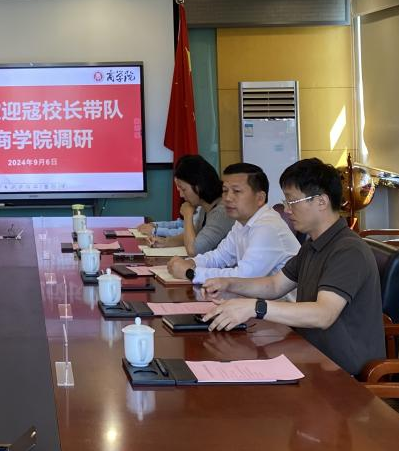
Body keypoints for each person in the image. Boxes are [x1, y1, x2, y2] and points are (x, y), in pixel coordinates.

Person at [199, 158, 385, 377]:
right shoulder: (313, 245)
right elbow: (275, 285)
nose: (286, 210)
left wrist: (256, 307)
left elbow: (323, 314)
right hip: (310, 354)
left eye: (292, 201)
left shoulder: (348, 250)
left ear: (321, 202)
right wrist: (229, 284)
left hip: (341, 372)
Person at [167, 162, 300, 285]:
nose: (228, 198)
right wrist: (191, 262)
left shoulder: (267, 227)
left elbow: (244, 277)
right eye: (225, 191)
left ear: (260, 198)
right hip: (255, 299)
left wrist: (192, 273)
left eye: (236, 191)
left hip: (283, 302)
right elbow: (219, 257)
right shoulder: (241, 222)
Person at [138, 155, 232, 255]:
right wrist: (166, 242)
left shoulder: (221, 212)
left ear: (198, 186)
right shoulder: (205, 207)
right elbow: (195, 235)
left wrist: (188, 215)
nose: (181, 195)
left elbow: (194, 250)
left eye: (184, 189)